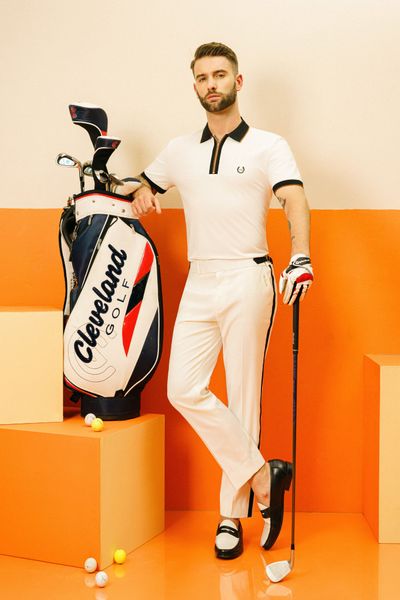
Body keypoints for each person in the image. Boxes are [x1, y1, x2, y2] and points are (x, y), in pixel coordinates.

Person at [116, 42, 313, 559]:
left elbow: (293, 197)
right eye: (203, 77)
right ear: (195, 86)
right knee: (183, 387)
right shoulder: (180, 149)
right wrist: (140, 191)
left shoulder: (269, 146)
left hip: (249, 276)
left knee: (244, 396)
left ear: (237, 82)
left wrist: (300, 255)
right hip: (201, 279)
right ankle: (263, 477)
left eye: (220, 75)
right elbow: (144, 185)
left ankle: (230, 516)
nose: (212, 84)